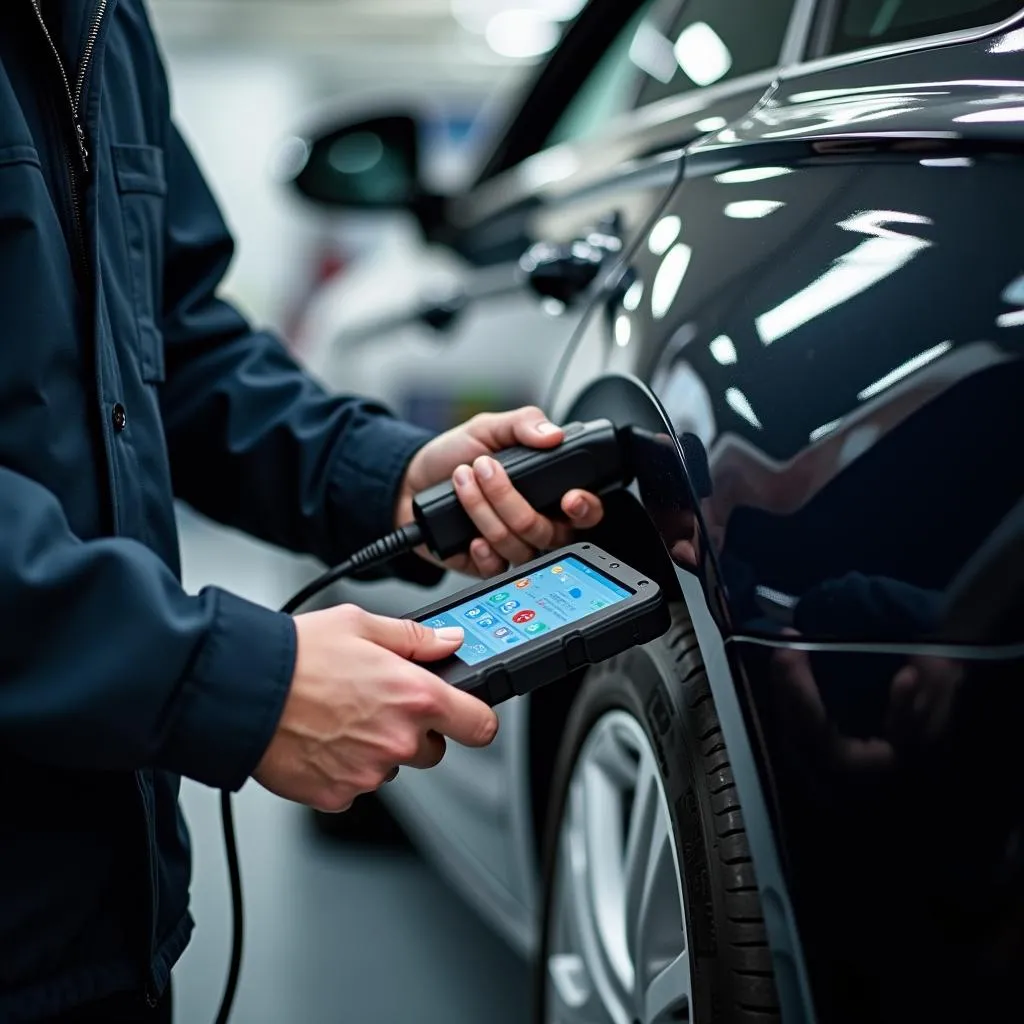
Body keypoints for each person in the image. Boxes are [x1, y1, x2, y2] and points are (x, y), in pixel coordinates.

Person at [0, 4, 605, 1021]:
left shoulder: (103, 23)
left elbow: (172, 344)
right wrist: (219, 679)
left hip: (96, 921)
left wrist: (390, 473)